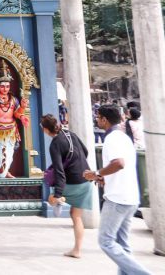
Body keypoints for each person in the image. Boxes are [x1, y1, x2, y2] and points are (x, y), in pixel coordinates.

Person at [84, 105, 152, 275]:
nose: (97, 120)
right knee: (122, 244)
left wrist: (96, 173)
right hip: (130, 196)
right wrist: (103, 177)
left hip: (117, 198)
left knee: (106, 241)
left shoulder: (112, 138)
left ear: (104, 120)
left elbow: (118, 163)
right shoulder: (123, 137)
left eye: (98, 117)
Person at [41, 114, 92, 259]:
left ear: (45, 129)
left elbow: (59, 171)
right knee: (76, 216)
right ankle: (77, 250)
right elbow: (85, 151)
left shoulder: (55, 144)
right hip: (85, 180)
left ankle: (59, 201)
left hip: (72, 183)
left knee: (51, 196)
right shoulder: (70, 134)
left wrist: (57, 194)